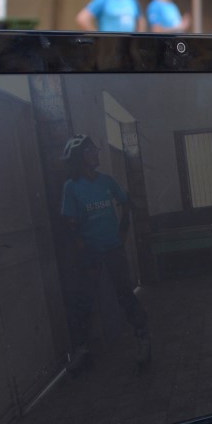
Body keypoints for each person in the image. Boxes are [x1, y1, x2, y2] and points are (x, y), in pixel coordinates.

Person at [57, 134, 147, 365]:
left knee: (125, 293)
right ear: (78, 157)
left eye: (95, 149)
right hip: (91, 252)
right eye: (89, 150)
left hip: (113, 248)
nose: (95, 153)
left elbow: (126, 202)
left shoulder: (106, 181)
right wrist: (83, 252)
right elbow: (70, 225)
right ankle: (81, 349)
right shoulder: (71, 188)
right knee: (84, 299)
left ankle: (143, 339)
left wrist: (123, 229)